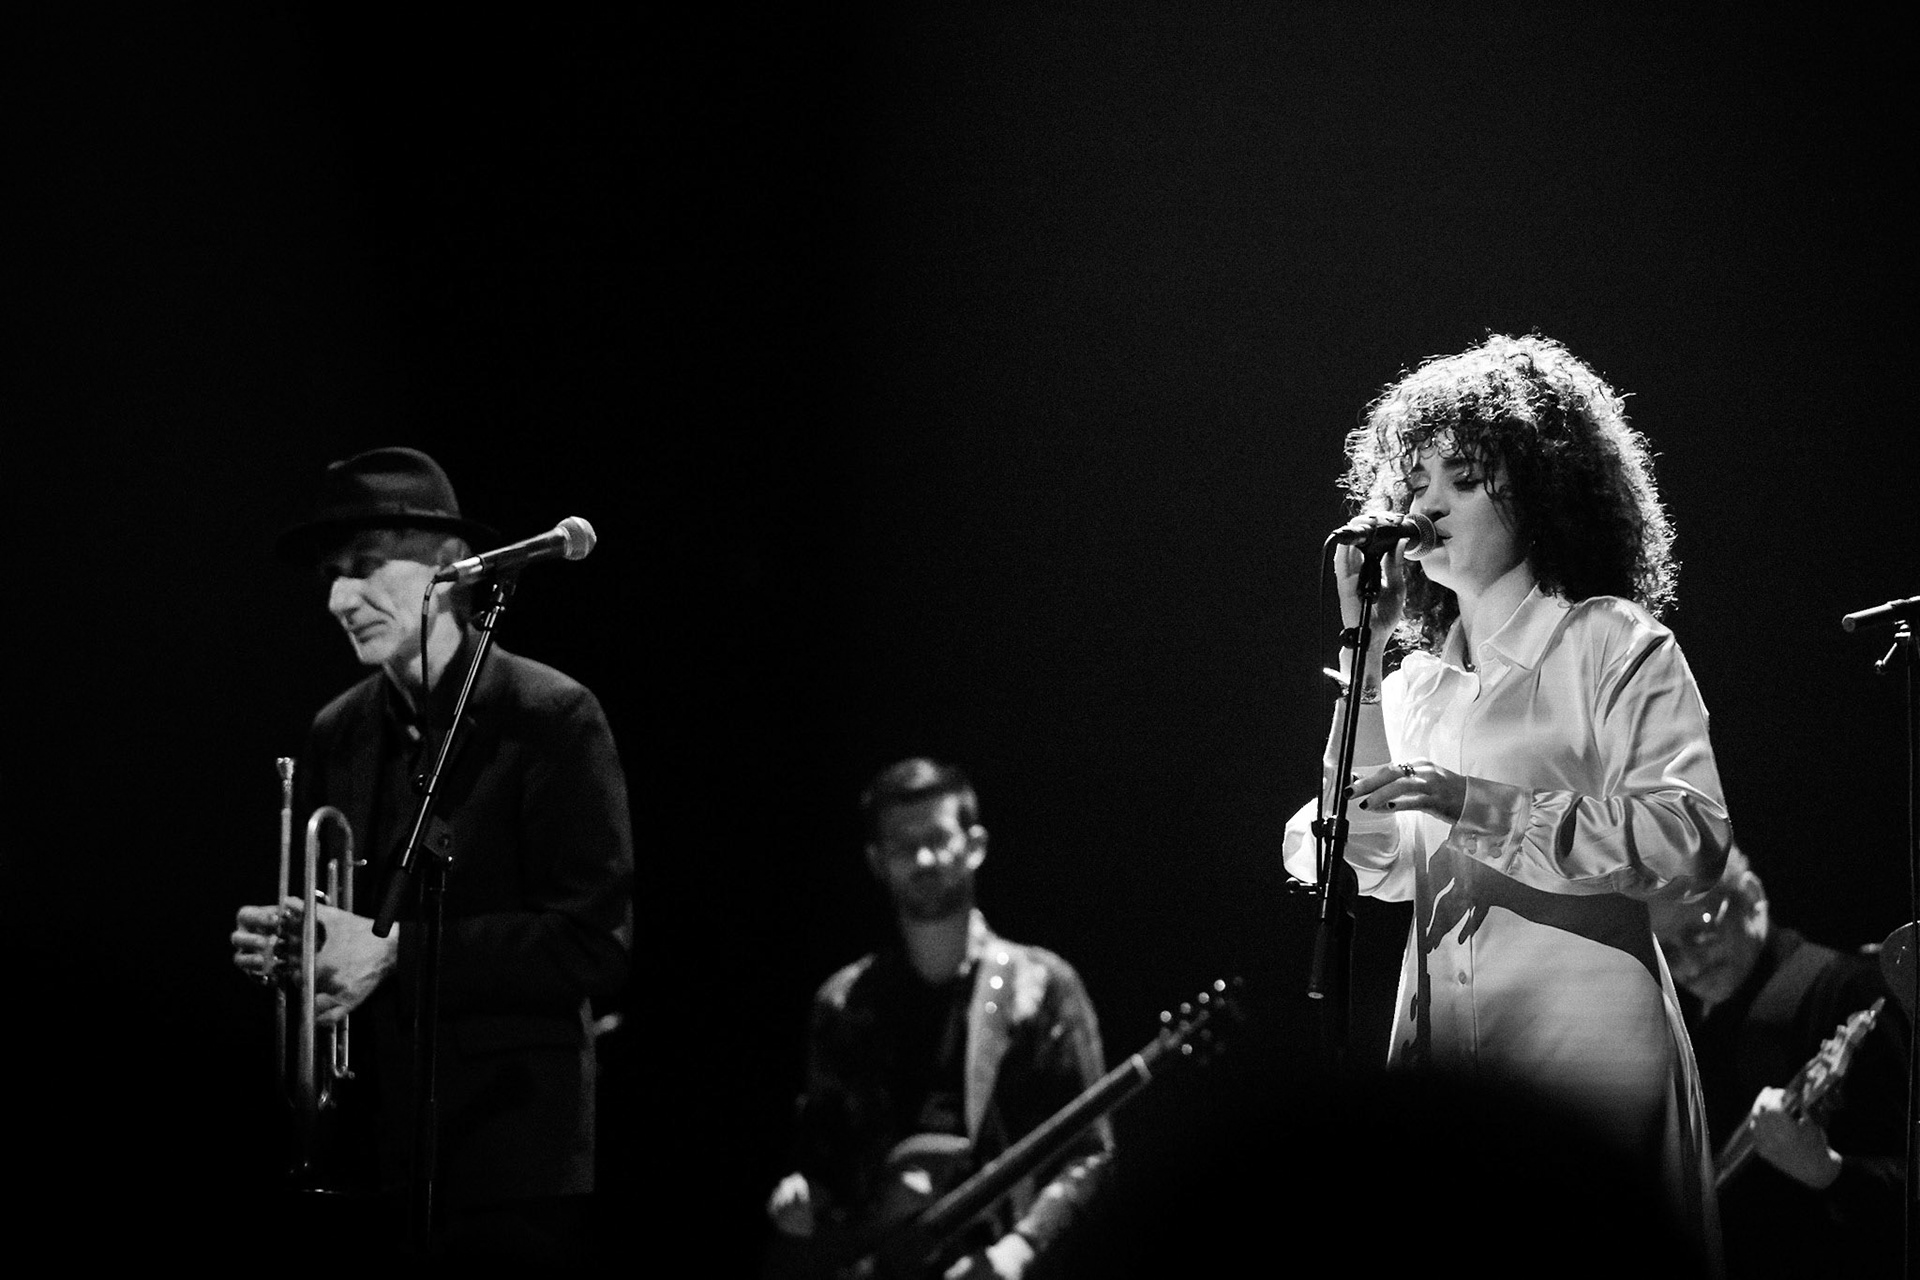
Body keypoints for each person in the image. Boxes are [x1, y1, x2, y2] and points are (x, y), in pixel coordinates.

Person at [1280, 333, 1733, 1266]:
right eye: (1413, 485)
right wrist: (1362, 657)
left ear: (1539, 490)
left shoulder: (1609, 641)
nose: (1425, 505)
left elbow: (1688, 835)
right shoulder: (1407, 687)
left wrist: (1476, 805)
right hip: (1445, 1058)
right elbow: (1359, 857)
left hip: (1594, 1050)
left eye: (1463, 479)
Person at [229, 446, 635, 1264]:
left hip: (511, 1160)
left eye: (368, 567)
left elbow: (593, 947)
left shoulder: (551, 717)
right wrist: (299, 947)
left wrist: (393, 953)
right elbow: (346, 942)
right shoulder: (338, 730)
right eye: (334, 576)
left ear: (451, 568)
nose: (342, 597)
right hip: (373, 1151)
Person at [764, 758, 1114, 1279]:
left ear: (975, 845)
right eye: (903, 846)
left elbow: (1089, 1151)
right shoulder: (842, 1003)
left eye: (937, 837)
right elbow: (821, 1162)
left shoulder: (1041, 986)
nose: (924, 858)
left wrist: (1017, 1251)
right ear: (876, 861)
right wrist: (800, 1195)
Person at [1651, 845, 1910, 1279]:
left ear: (1751, 896)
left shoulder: (1849, 992)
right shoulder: (1684, 1028)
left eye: (1701, 928)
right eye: (1668, 952)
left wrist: (1829, 1172)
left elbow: (1907, 1185)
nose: (1691, 964)